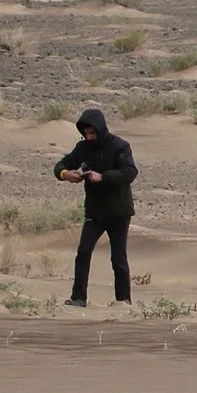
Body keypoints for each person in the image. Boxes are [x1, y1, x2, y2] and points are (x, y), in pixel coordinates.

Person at [54, 107, 138, 307]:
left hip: (119, 212)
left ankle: (123, 301)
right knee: (83, 252)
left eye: (92, 133)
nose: (89, 137)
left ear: (101, 129)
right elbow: (60, 165)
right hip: (95, 212)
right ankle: (78, 298)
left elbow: (130, 172)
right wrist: (66, 174)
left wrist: (103, 177)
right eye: (86, 133)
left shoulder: (120, 146)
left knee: (118, 258)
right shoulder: (82, 148)